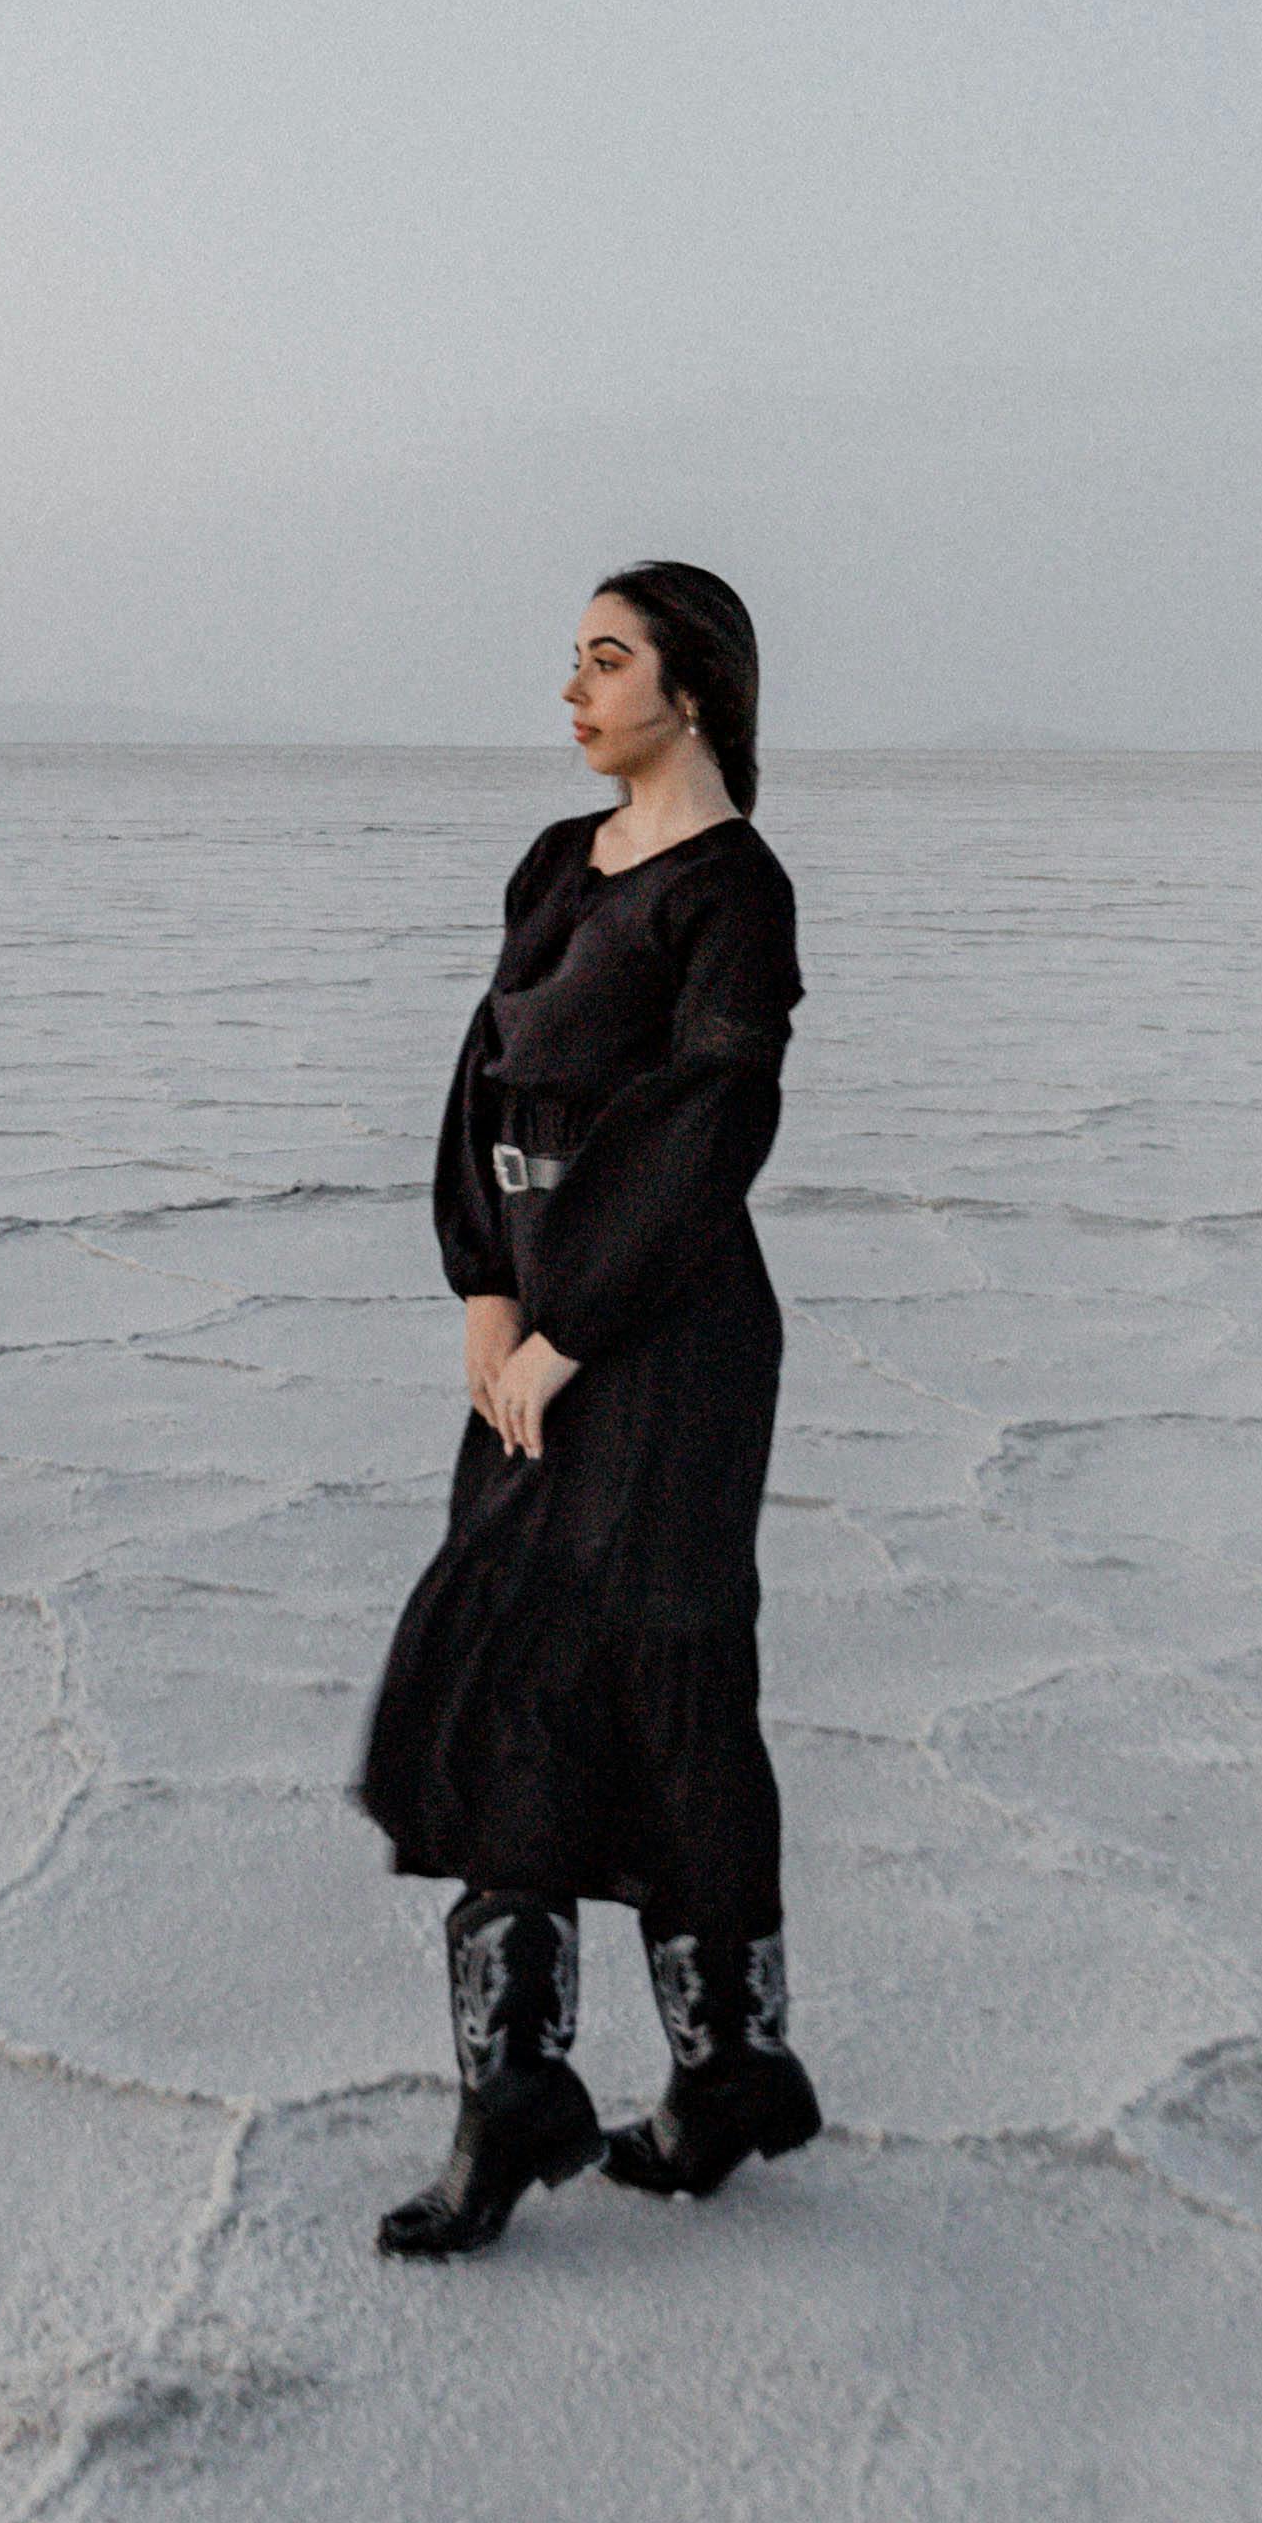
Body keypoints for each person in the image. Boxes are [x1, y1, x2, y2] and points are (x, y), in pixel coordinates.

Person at [355, 563, 821, 2256]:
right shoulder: (560, 864)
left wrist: (574, 1331)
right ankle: (549, 2083)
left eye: (608, 662)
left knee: (666, 1681)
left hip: (673, 1345)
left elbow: (713, 1124)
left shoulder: (734, 894)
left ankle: (708, 2076)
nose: (575, 689)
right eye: (573, 660)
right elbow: (486, 1077)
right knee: (503, 1671)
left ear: (691, 686)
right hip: (541, 1327)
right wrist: (489, 1289)